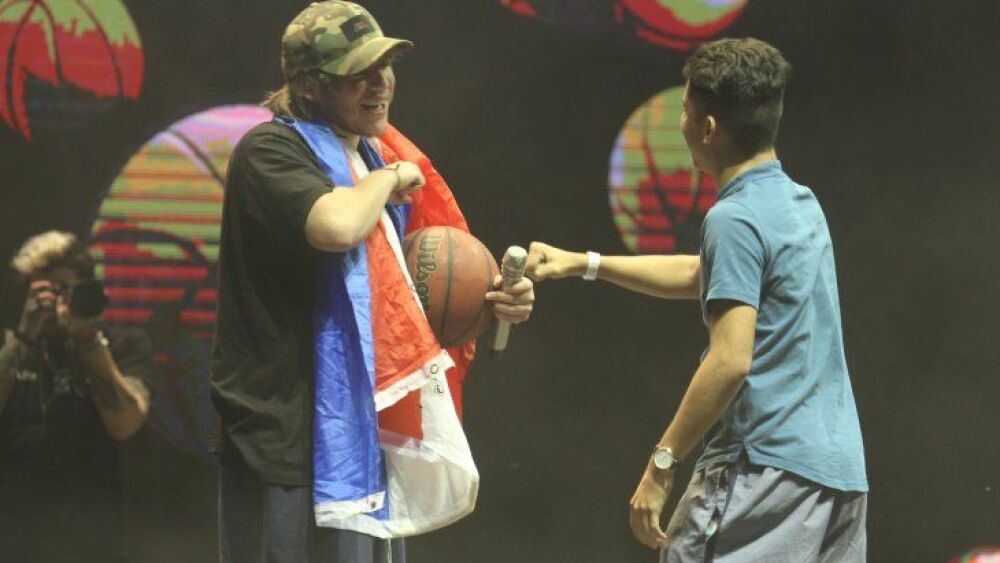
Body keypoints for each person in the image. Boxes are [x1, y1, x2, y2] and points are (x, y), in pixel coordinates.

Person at [210, 2, 534, 562]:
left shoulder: (370, 158)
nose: (380, 84)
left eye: (385, 67)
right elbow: (335, 225)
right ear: (310, 86)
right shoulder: (270, 151)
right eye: (358, 73)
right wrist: (386, 178)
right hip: (282, 441)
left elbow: (402, 302)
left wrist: (489, 303)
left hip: (363, 434)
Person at [526, 38, 867, 562]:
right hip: (838, 476)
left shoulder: (733, 218)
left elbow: (731, 359)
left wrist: (662, 464)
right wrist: (583, 262)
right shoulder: (799, 204)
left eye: (685, 111)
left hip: (763, 468)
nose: (682, 123)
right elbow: (700, 273)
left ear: (708, 129)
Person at [0, 230, 152, 563]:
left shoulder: (123, 345)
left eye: (68, 292)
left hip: (94, 540)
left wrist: (86, 338)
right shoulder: (8, 347)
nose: (58, 304)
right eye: (48, 291)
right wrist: (25, 336)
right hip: (14, 538)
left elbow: (124, 423)